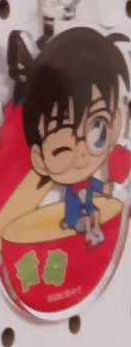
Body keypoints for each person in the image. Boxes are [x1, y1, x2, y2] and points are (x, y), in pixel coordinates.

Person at [16, 26, 130, 249]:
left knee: (95, 215)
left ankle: (94, 235)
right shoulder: (70, 187)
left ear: (115, 123)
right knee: (85, 220)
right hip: (74, 217)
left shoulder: (89, 179)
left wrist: (108, 189)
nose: (82, 154)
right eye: (63, 149)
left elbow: (100, 187)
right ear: (39, 158)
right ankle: (90, 234)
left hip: (91, 213)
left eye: (98, 130)